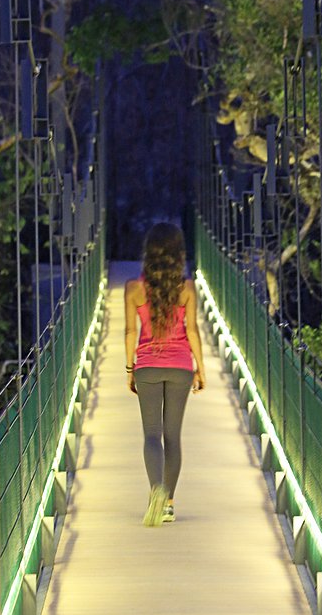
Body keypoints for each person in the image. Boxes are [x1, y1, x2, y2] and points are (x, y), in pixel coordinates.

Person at [124, 222, 206, 526]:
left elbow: (131, 330)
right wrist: (201, 368)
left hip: (146, 365)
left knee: (151, 435)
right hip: (181, 367)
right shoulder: (187, 289)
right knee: (173, 437)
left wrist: (130, 369)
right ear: (178, 254)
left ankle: (155, 488)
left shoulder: (134, 289)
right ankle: (168, 503)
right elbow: (193, 331)